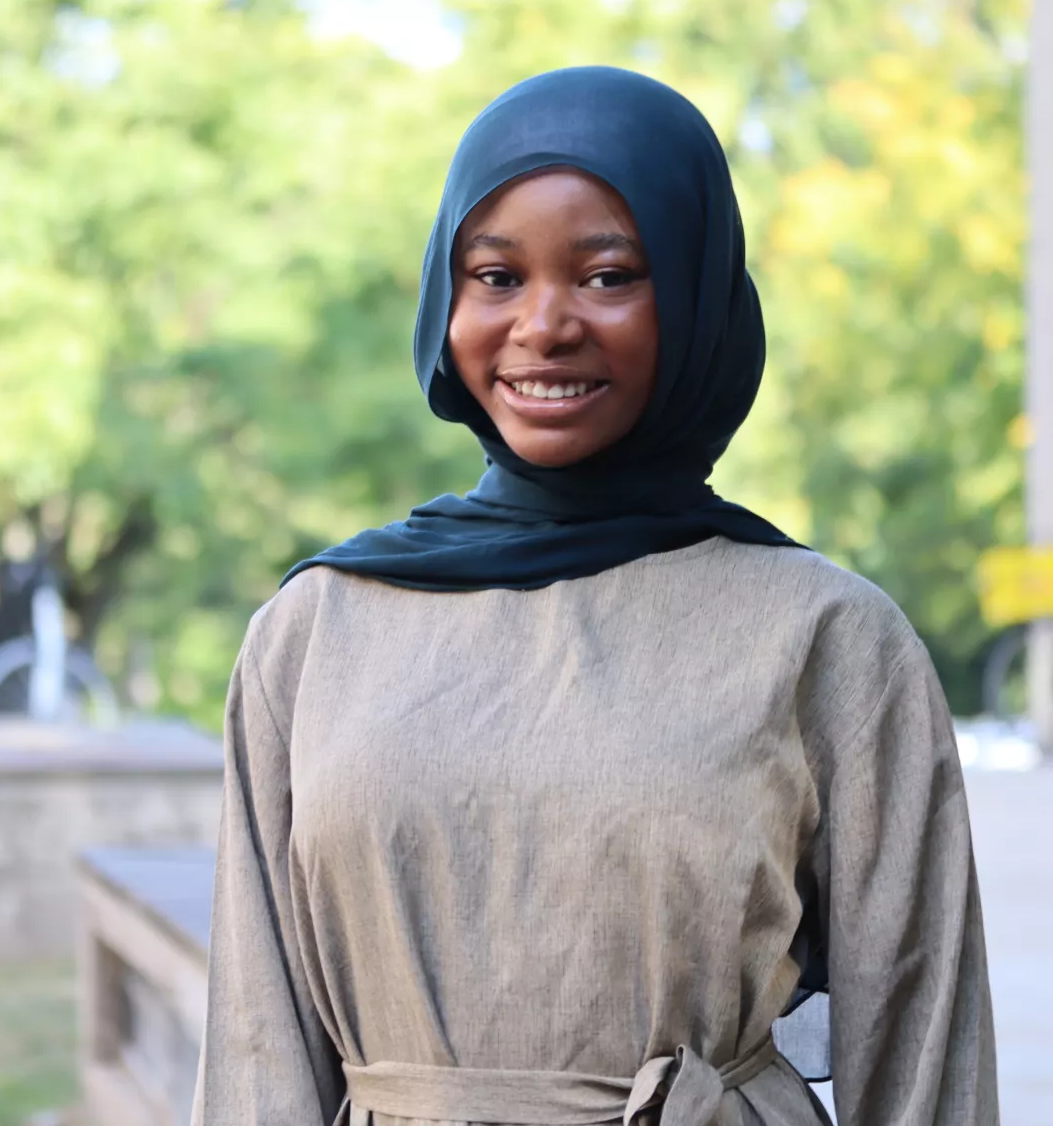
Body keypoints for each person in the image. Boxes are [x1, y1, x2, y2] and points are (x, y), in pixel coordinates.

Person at [191, 67, 998, 1126]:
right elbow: (257, 1043)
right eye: (495, 277)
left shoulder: (828, 637)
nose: (543, 324)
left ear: (698, 298)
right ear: (447, 301)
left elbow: (923, 1040)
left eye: (609, 276)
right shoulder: (318, 630)